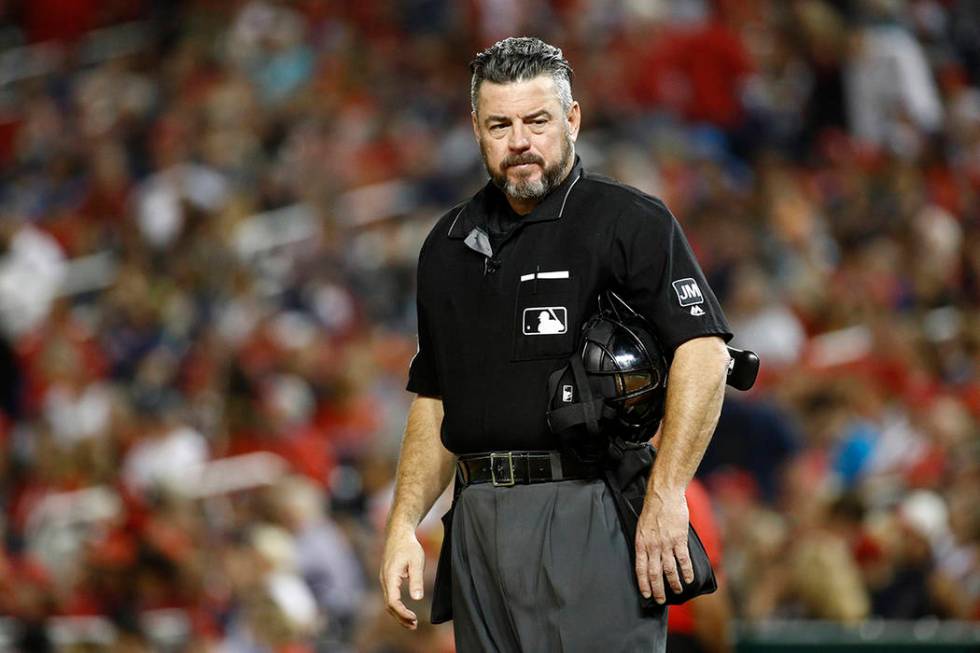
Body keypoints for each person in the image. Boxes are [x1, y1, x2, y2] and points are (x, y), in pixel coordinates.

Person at [380, 37, 733, 652]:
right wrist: (404, 523)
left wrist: (669, 494)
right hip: (478, 517)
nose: (519, 140)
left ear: (572, 119)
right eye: (500, 124)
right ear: (476, 129)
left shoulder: (628, 221)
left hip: (586, 507)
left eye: (537, 120)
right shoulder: (447, 244)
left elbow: (703, 352)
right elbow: (434, 398)